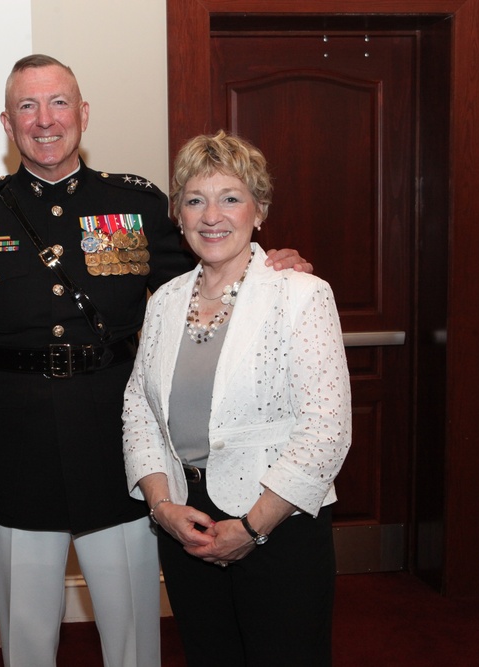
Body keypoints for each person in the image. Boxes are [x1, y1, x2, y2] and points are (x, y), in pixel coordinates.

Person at [0, 54, 311, 666]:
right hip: (15, 446)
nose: (44, 120)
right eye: (27, 107)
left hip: (117, 444)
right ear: (7, 124)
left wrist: (272, 264)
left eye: (58, 102)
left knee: (133, 632)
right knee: (27, 636)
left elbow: (205, 273)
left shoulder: (135, 203)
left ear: (83, 114)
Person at [123, 131, 352, 666]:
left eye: (230, 197)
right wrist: (163, 508)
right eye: (195, 200)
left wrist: (252, 528)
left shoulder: (302, 295)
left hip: (279, 523)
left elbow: (327, 431)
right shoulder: (164, 303)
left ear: (260, 209)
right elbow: (140, 410)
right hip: (186, 524)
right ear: (178, 214)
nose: (212, 216)